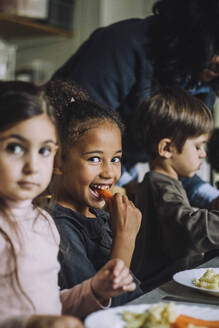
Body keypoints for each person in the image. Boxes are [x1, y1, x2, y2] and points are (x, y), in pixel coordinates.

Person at [52, 0, 219, 208]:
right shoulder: (122, 46)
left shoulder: (204, 82)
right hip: (60, 179)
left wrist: (212, 198)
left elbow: (177, 160)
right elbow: (80, 137)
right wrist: (126, 182)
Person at [0, 81, 137, 328]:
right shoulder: (55, 221)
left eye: (44, 150)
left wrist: (96, 290)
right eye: (15, 148)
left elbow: (52, 304)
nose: (33, 166)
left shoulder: (41, 224)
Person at [44, 82, 142, 306]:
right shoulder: (58, 228)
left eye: (115, 159)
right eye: (94, 159)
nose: (109, 172)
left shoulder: (100, 216)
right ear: (58, 161)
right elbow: (98, 310)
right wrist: (124, 239)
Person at [130, 86, 219, 292]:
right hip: (159, 290)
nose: (203, 154)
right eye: (197, 146)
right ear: (167, 148)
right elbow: (187, 230)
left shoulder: (166, 183)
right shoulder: (158, 184)